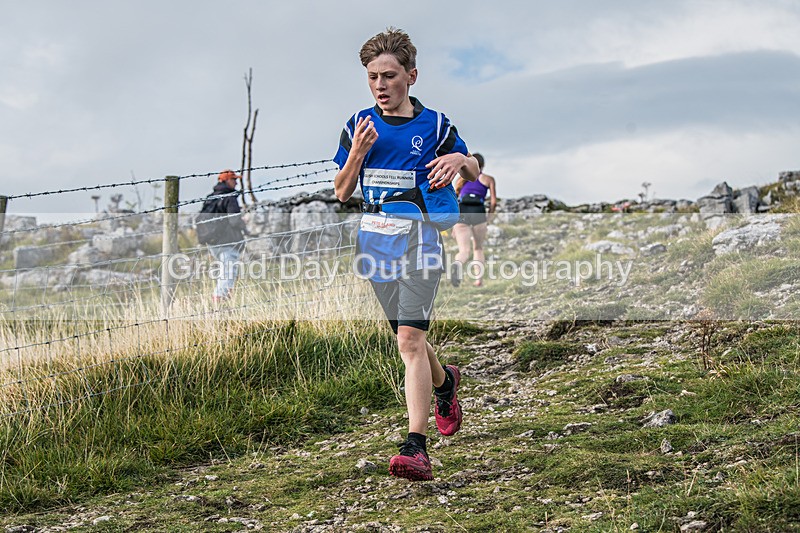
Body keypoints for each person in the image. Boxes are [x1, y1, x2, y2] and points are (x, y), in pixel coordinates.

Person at [333, 28, 480, 481]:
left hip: (421, 243)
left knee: (409, 342)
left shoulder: (434, 125)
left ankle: (415, 447)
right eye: (373, 76)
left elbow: (475, 165)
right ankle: (446, 383)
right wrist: (356, 153)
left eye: (389, 75)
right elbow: (341, 193)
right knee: (408, 337)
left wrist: (461, 162)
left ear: (411, 76)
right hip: (376, 242)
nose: (380, 85)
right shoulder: (358, 124)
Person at [198, 169, 248, 303]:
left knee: (223, 272)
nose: (236, 183)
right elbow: (234, 220)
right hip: (228, 242)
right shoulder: (230, 198)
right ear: (226, 181)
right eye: (234, 180)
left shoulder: (210, 198)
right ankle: (220, 302)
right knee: (228, 274)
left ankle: (220, 300)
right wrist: (244, 224)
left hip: (213, 243)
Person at [452, 153, 497, 287]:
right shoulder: (488, 179)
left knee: (464, 250)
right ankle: (478, 280)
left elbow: (454, 201)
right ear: (482, 165)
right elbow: (493, 202)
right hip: (478, 212)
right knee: (478, 248)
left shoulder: (460, 181)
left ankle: (457, 264)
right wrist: (489, 217)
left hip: (462, 212)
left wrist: (454, 225)